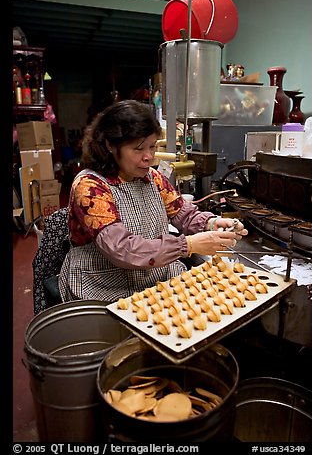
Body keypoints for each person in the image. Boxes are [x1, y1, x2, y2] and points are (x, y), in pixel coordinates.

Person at [58, 100, 248, 303]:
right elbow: (123, 249)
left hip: (152, 277)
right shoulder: (90, 187)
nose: (149, 157)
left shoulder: (153, 178)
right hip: (103, 283)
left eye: (152, 147)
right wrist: (188, 245)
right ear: (110, 145)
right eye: (138, 149)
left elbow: (183, 213)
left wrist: (210, 223)